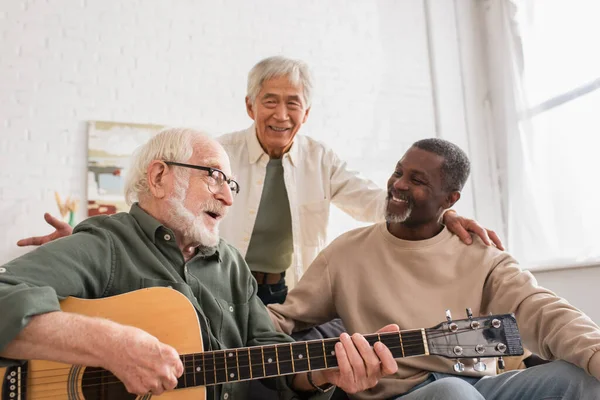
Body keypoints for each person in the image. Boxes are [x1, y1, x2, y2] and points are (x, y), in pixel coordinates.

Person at [17, 57, 503, 307]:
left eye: (293, 102)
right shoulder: (218, 155)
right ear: (251, 106)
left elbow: (378, 203)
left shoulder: (322, 159)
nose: (281, 112)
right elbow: (169, 206)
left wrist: (443, 214)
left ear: (306, 113)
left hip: (291, 290)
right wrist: (95, 240)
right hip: (222, 282)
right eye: (270, 100)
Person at [0, 128, 400, 399]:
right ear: (158, 177)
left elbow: (271, 353)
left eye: (232, 184)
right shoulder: (107, 244)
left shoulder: (230, 263)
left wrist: (322, 373)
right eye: (214, 176)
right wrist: (111, 345)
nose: (228, 198)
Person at [268, 138, 600, 399]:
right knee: (452, 394)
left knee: (581, 379)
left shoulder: (482, 255)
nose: (398, 184)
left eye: (417, 180)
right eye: (398, 172)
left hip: (479, 388)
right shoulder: (344, 253)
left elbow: (541, 310)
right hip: (402, 396)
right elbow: (284, 318)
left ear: (450, 199)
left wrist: (595, 353)